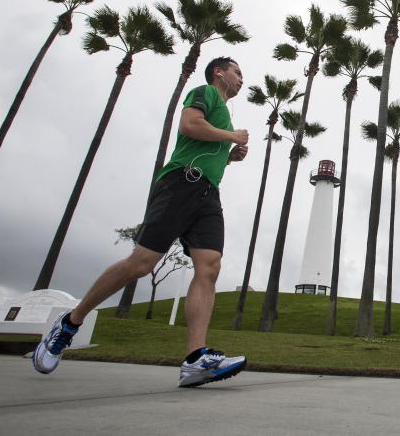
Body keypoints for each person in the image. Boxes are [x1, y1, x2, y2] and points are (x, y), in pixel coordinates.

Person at [32, 56, 250, 388]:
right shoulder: (204, 91)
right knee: (142, 263)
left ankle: (195, 360)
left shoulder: (223, 113)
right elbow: (189, 126)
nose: (241, 79)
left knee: (210, 267)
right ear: (219, 72)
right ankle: (69, 324)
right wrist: (231, 136)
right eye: (237, 72)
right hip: (181, 183)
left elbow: (205, 144)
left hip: (208, 192)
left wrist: (228, 154)